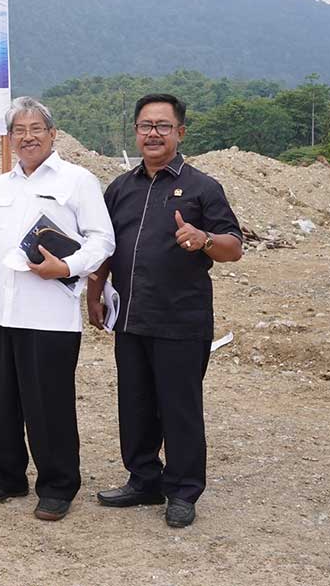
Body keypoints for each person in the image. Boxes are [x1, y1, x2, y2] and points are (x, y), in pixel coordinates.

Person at [0, 96, 114, 521]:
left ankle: (58, 485)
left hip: (49, 315)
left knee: (49, 404)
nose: (27, 137)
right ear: (10, 138)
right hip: (0, 312)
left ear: (52, 134)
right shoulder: (2, 184)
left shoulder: (77, 180)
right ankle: (5, 475)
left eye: (36, 129)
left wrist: (67, 266)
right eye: (19, 131)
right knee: (0, 400)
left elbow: (103, 240)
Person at [87, 93, 242, 529]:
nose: (153, 133)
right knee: (135, 404)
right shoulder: (120, 188)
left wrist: (203, 239)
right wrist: (94, 292)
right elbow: (104, 246)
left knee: (179, 408)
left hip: (181, 320)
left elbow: (233, 247)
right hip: (131, 318)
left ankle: (183, 490)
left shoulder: (203, 188)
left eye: (162, 126)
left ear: (180, 132)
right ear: (136, 132)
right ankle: (143, 480)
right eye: (145, 126)